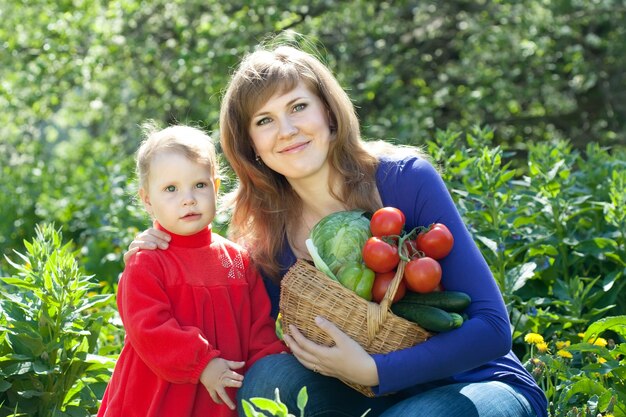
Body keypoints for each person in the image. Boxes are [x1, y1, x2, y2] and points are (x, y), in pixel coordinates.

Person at [126, 41, 548, 417]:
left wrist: (376, 369)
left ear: (328, 110)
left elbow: (493, 328)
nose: (287, 131)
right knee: (267, 379)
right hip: (360, 397)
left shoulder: (403, 179)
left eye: (297, 107)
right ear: (250, 144)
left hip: (473, 385)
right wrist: (156, 251)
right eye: (264, 121)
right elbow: (223, 322)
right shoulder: (263, 237)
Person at [100, 123, 285, 417]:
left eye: (199, 185)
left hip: (218, 402)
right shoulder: (148, 259)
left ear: (216, 186)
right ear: (148, 200)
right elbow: (149, 328)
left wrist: (274, 372)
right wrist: (203, 362)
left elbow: (259, 331)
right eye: (170, 189)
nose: (188, 199)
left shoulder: (238, 261)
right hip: (157, 401)